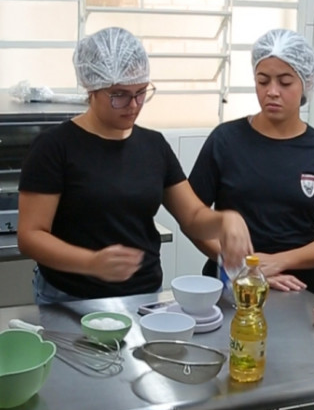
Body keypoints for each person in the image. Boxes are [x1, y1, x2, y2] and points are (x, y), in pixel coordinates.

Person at [17, 27, 252, 303]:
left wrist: (225, 220)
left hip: (144, 296)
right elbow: (31, 236)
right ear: (91, 87)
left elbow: (192, 218)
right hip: (69, 298)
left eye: (141, 92)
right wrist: (91, 262)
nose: (133, 105)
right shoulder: (55, 147)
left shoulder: (153, 146)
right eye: (119, 94)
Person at [188, 29, 314, 296]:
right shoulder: (226, 140)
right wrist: (244, 267)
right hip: (231, 284)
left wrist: (279, 262)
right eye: (263, 81)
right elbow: (193, 218)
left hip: (298, 289)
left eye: (285, 82)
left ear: (306, 84)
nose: (272, 92)